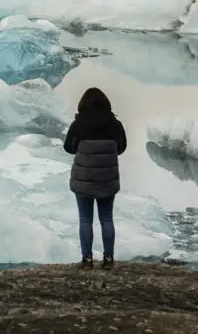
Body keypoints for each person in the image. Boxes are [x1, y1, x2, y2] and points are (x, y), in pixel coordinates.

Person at [63, 87, 127, 270]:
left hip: (84, 179)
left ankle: (87, 260)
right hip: (107, 179)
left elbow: (68, 148)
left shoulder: (79, 124)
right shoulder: (115, 124)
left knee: (85, 219)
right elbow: (121, 148)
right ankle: (108, 259)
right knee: (107, 218)